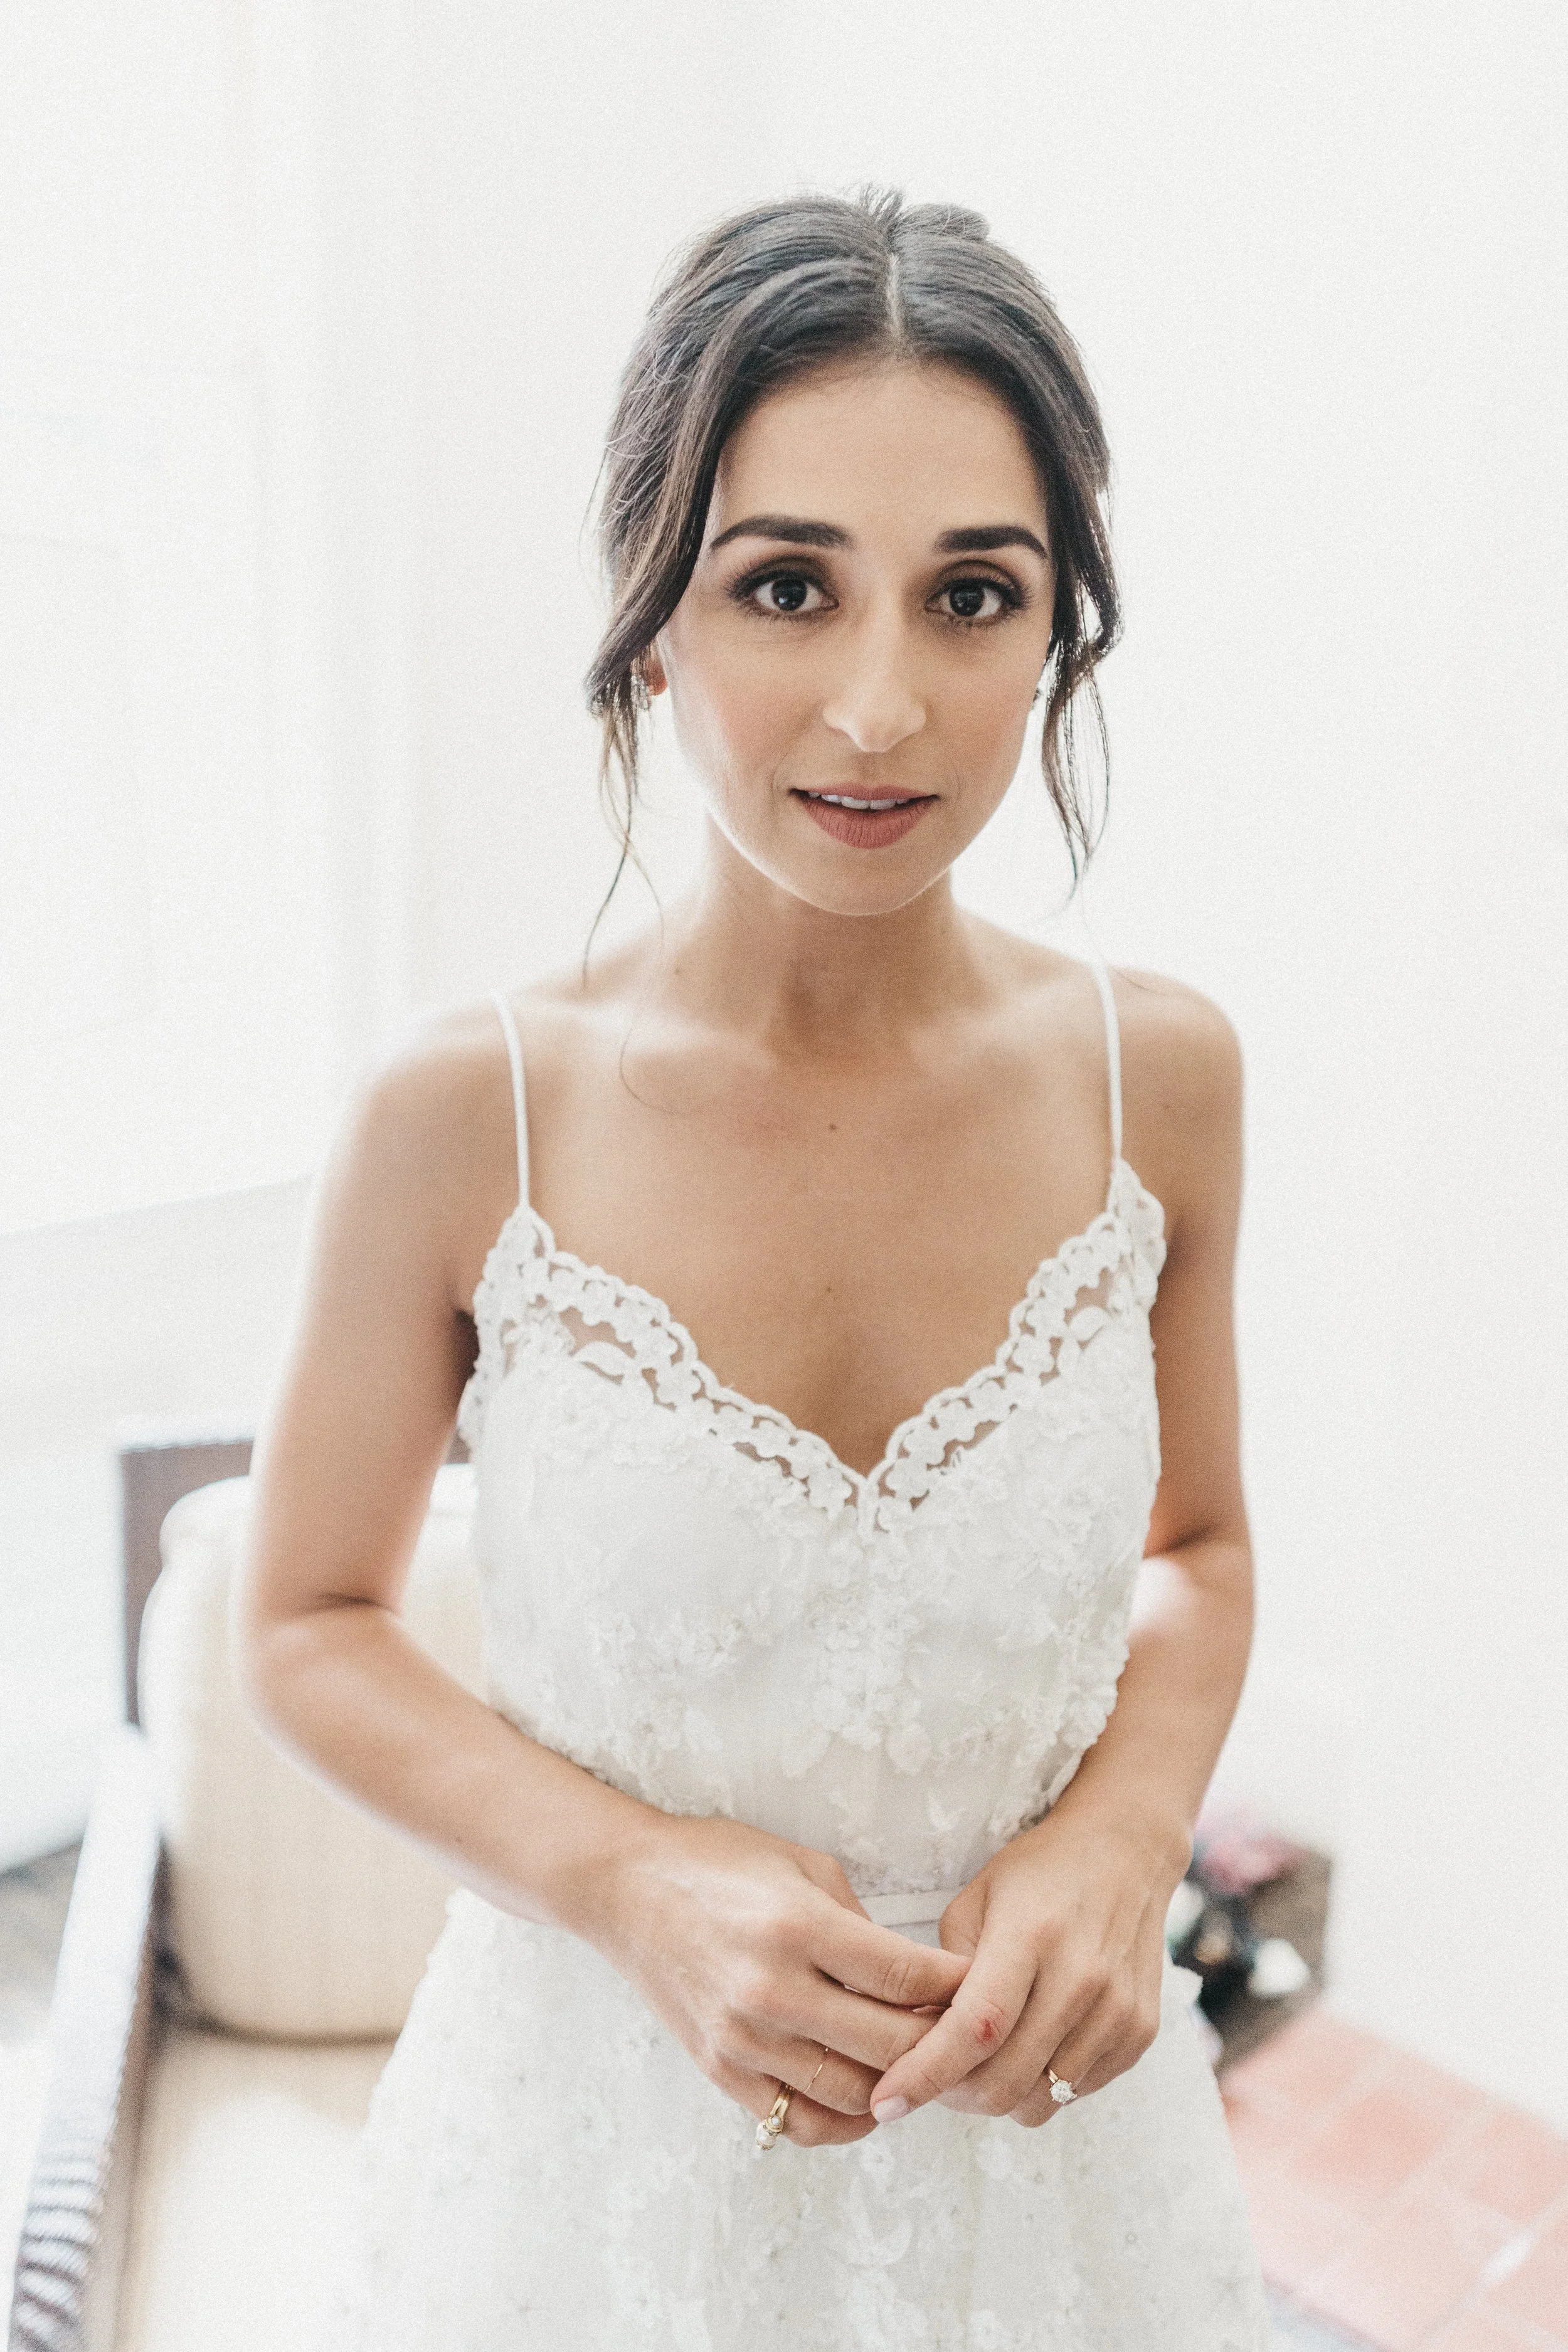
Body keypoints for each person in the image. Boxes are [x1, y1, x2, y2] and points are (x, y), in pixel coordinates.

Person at [240, 187, 1269, 2347]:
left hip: (1049, 2186)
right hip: (596, 2183)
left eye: (971, 595)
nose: (881, 705)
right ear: (651, 618)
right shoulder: (465, 1118)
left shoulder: (1155, 1083)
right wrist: (628, 1879)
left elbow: (1196, 1549)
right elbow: (309, 1620)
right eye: (785, 585)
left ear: (1054, 635)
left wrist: (1120, 1832)